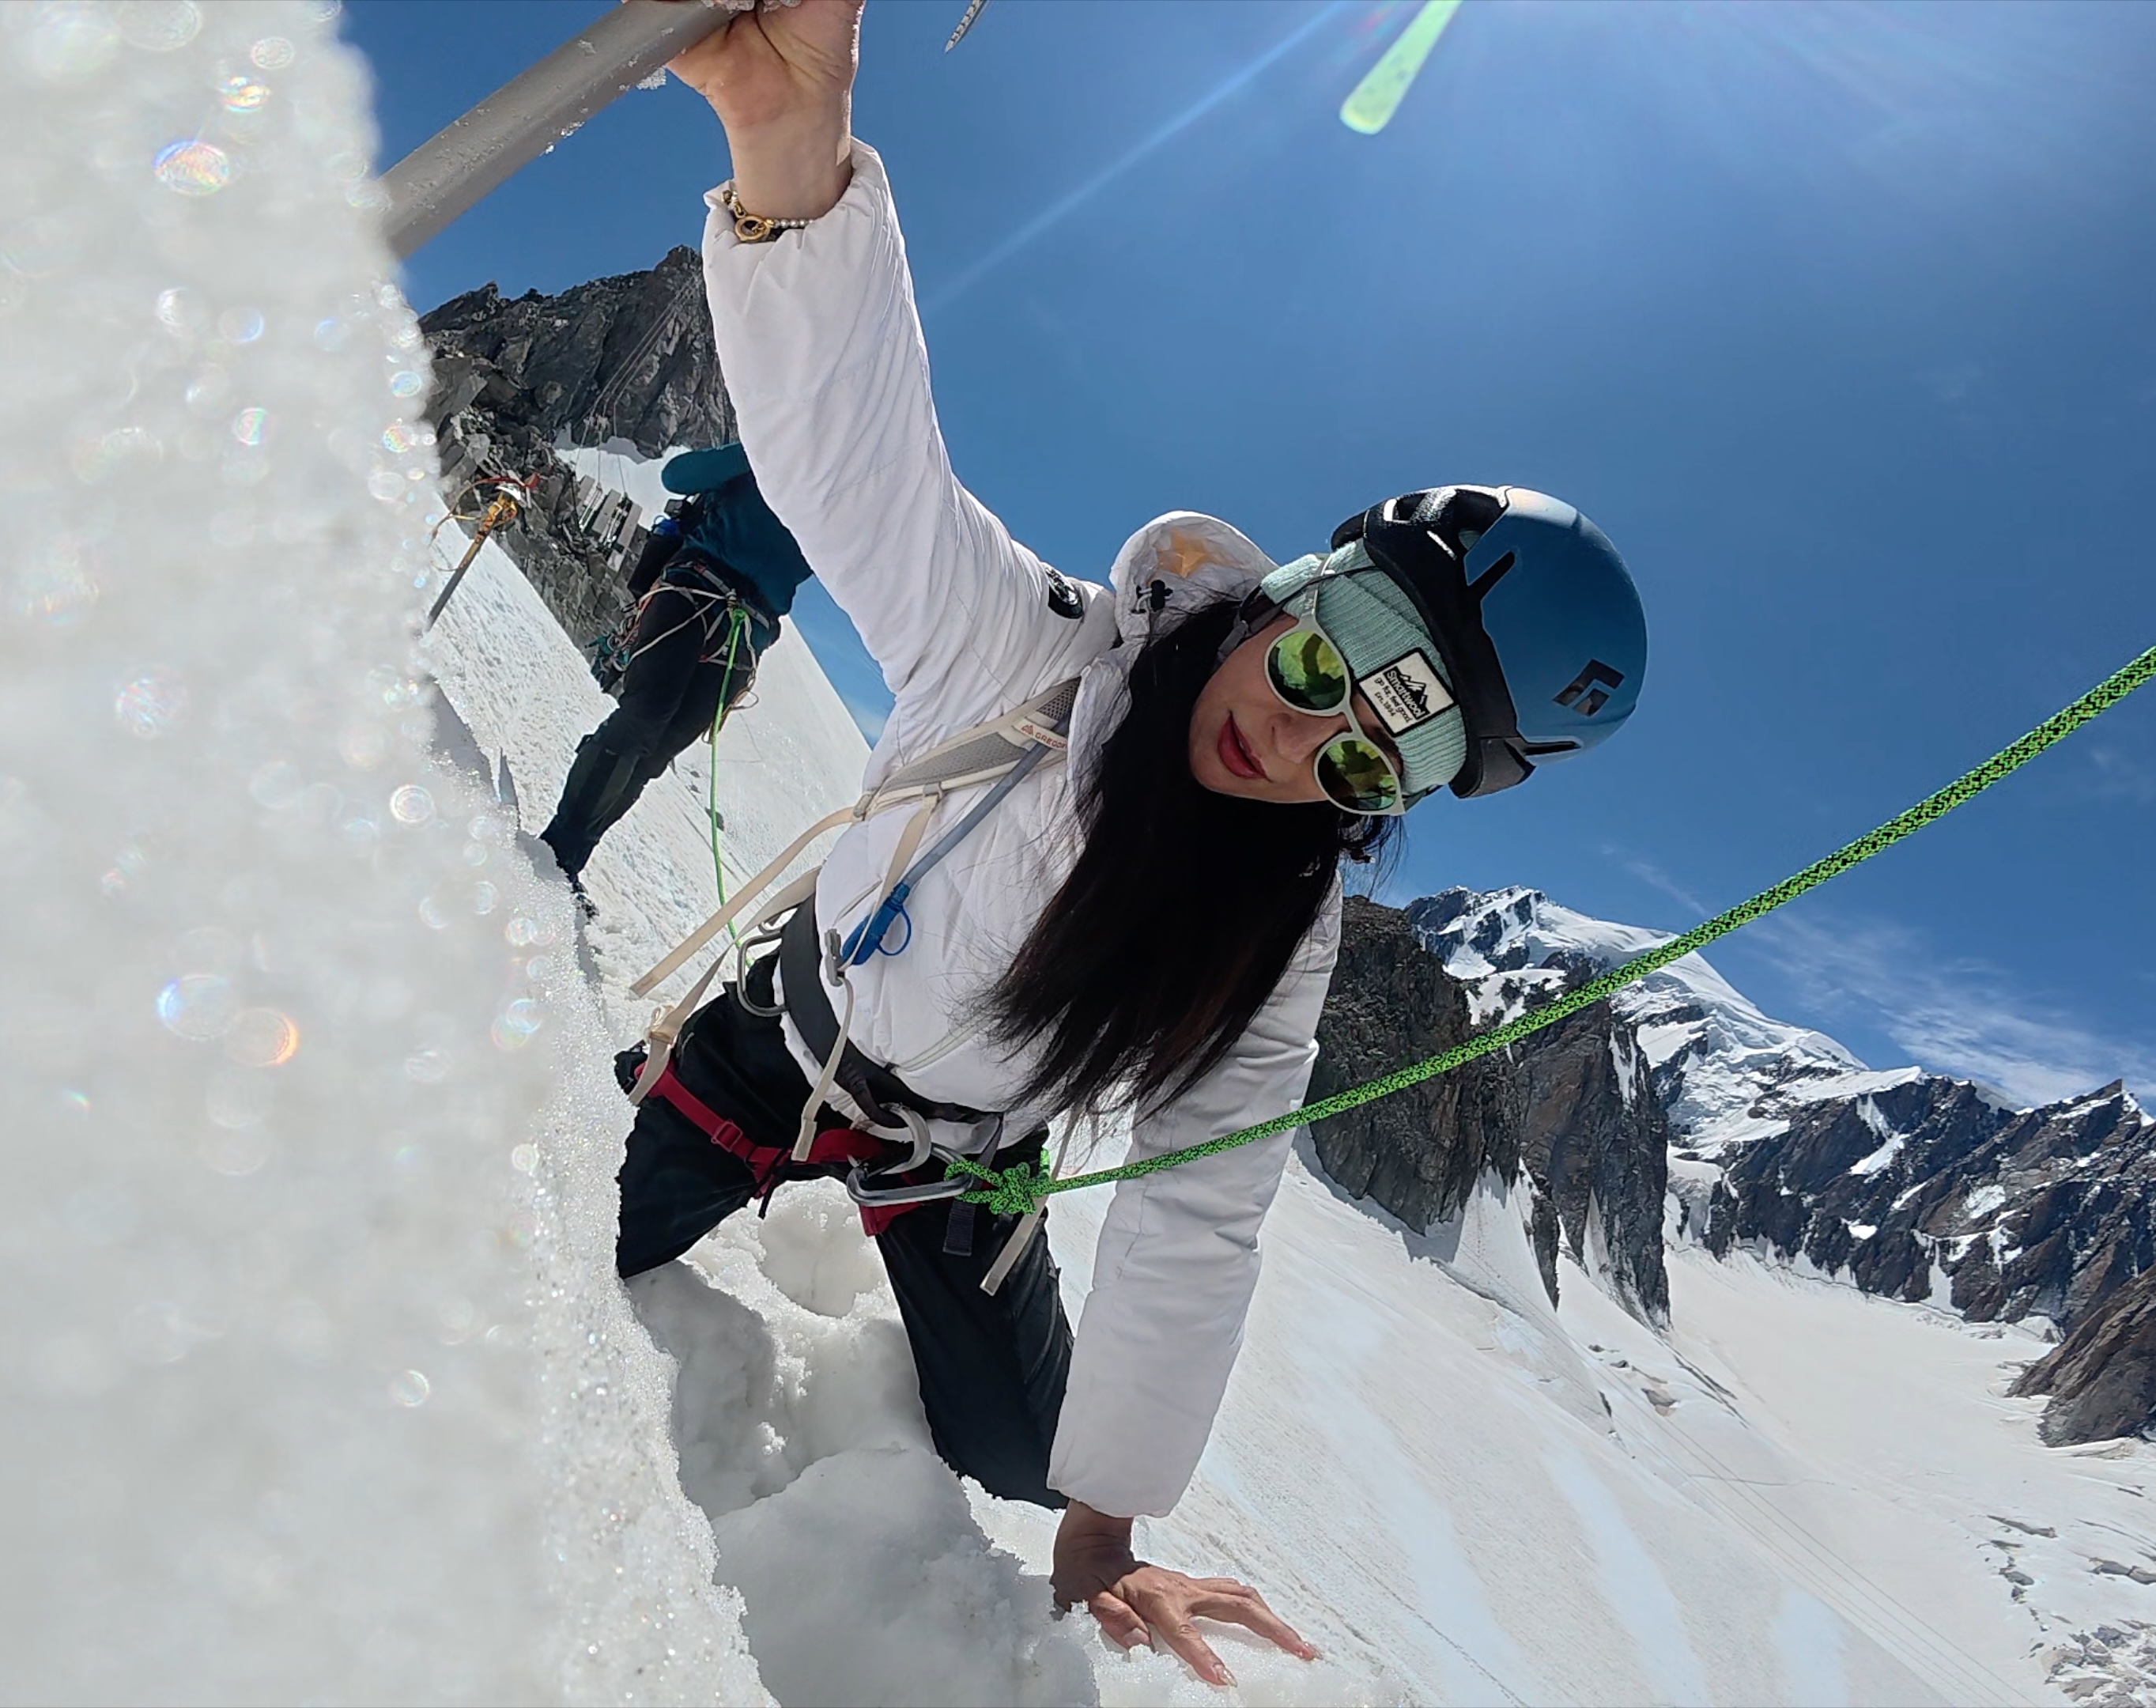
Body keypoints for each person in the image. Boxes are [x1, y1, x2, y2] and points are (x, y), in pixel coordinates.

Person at [632, 2, 1648, 1686]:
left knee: (1026, 1457)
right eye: (1323, 660)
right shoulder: (1024, 651)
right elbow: (857, 463)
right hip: (777, 1047)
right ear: (1291, 593)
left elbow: (1202, 1212)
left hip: (958, 1162)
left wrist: (1103, 1525)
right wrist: (787, 156)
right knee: (578, 1235)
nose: (1299, 735)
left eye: (1370, 751)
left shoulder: (1274, 948)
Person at [538, 441, 817, 884]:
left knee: (656, 751)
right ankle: (554, 852)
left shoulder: (835, 498)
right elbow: (677, 477)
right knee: (645, 719)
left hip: (736, 622)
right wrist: (757, 449)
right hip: (702, 593)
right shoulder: (770, 448)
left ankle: (567, 860)